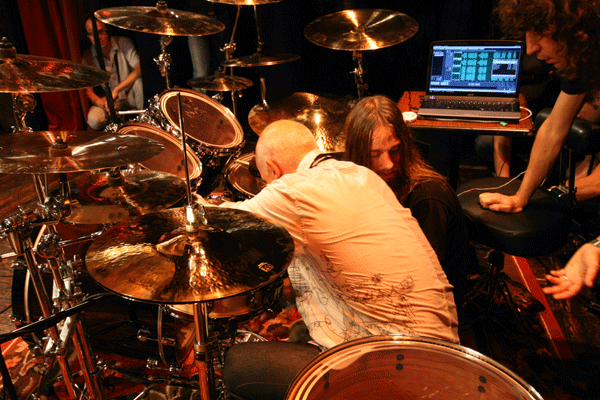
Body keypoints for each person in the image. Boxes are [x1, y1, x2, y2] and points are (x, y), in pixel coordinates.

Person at [210, 119, 459, 400]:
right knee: (300, 333)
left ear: (273, 169)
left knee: (239, 366)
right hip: (447, 357)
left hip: (398, 376)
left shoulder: (292, 190)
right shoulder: (360, 174)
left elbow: (218, 224)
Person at [344, 95, 478, 307]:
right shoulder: (375, 183)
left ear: (405, 145)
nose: (388, 164)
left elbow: (424, 284)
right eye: (375, 154)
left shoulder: (428, 197)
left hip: (432, 303)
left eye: (395, 150)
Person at [478, 0, 600, 213]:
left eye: (540, 34)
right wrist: (519, 198)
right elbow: (554, 129)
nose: (531, 48)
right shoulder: (582, 59)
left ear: (576, 29)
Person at [81, 17, 143, 131]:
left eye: (100, 32)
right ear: (88, 36)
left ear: (106, 30)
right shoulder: (88, 56)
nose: (99, 37)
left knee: (139, 83)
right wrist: (104, 104)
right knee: (93, 120)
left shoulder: (123, 42)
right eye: (93, 34)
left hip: (130, 95)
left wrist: (117, 90)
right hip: (110, 101)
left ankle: (143, 122)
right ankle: (117, 121)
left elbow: (139, 70)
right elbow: (88, 92)